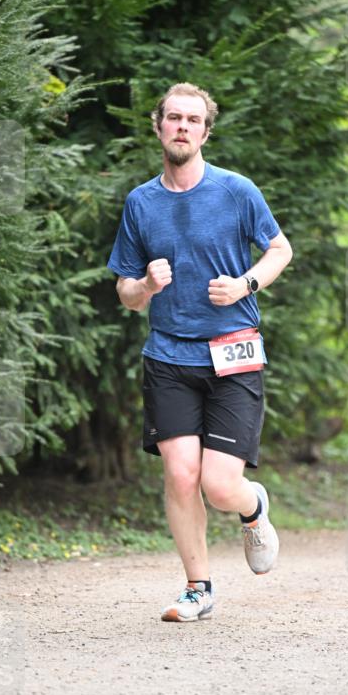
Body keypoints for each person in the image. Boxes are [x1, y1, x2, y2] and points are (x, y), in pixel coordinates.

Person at [107, 82, 292, 622]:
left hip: (233, 352)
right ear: (158, 126)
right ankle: (198, 587)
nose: (182, 127)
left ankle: (253, 508)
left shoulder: (236, 191)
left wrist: (246, 285)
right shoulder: (141, 203)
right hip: (169, 357)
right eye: (174, 118)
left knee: (219, 485)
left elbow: (279, 249)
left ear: (206, 132)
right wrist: (145, 285)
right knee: (181, 475)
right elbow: (125, 292)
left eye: (193, 120)